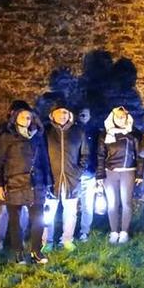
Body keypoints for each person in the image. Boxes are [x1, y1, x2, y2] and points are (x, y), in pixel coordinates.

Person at [0, 106, 52, 264]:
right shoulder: (7, 137)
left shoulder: (38, 137)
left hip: (36, 183)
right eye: (22, 117)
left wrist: (48, 182)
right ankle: (18, 252)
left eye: (29, 118)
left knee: (38, 220)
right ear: (15, 119)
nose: (26, 120)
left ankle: (36, 252)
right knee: (16, 222)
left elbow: (44, 161)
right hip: (15, 183)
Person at [43, 99, 88, 251]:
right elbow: (40, 155)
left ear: (69, 115)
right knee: (48, 212)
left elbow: (84, 155)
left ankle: (67, 239)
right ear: (52, 115)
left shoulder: (78, 132)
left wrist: (77, 172)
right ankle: (46, 241)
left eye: (65, 112)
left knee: (70, 212)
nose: (62, 115)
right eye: (59, 112)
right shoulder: (46, 132)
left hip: (71, 179)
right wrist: (44, 175)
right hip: (51, 179)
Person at [96, 106, 144, 244]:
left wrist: (140, 173)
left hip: (128, 171)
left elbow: (140, 155)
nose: (120, 119)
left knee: (126, 203)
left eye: (123, 116)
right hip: (110, 172)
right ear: (112, 117)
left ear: (127, 117)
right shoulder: (106, 134)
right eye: (118, 116)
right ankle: (114, 231)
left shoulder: (134, 134)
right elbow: (100, 155)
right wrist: (99, 175)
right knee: (112, 203)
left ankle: (124, 232)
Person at [0, 100, 30, 252]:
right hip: (8, 179)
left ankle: (20, 237)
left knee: (24, 210)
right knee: (4, 211)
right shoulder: (5, 133)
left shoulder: (31, 134)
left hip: (24, 181)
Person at [76, 107, 99, 242]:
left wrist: (97, 170)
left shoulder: (95, 132)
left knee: (88, 204)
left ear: (90, 115)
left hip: (89, 172)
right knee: (72, 205)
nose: (83, 115)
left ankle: (85, 231)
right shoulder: (72, 131)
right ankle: (69, 232)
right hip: (74, 173)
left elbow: (98, 151)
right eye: (81, 113)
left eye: (86, 113)